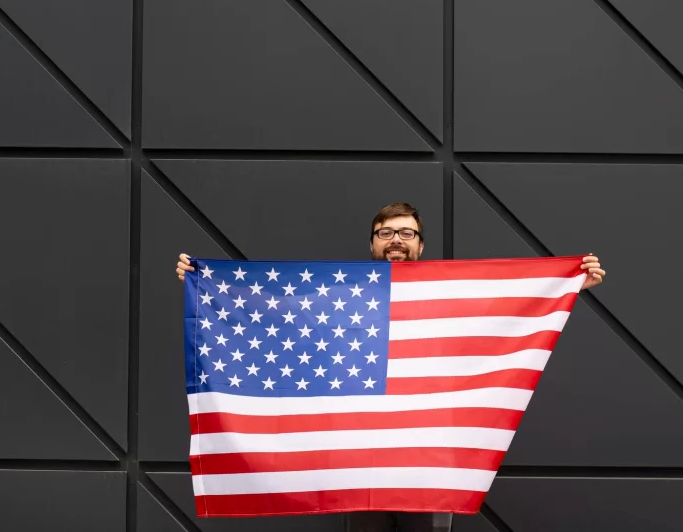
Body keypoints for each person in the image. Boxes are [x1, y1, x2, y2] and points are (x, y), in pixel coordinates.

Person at [175, 202, 605, 532]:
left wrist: (571, 284)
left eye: (406, 232)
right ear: (372, 243)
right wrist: (203, 282)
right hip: (361, 462)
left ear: (420, 244)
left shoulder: (451, 295)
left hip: (428, 461)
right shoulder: (339, 296)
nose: (396, 239)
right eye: (386, 232)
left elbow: (512, 307)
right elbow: (276, 307)